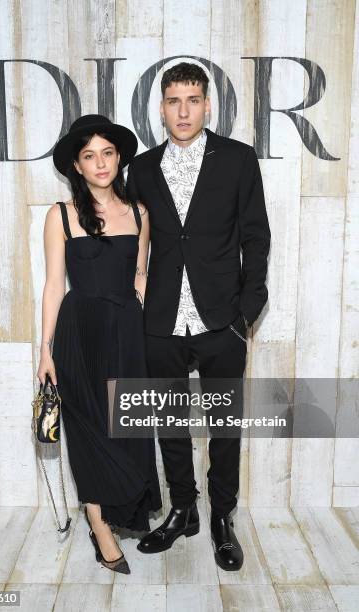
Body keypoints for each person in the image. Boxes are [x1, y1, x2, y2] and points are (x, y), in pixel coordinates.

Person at [127, 63, 271, 571]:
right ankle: (184, 509)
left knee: (224, 427)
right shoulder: (142, 168)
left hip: (221, 322)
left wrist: (246, 314)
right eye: (173, 101)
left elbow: (256, 236)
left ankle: (221, 518)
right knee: (168, 424)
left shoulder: (236, 159)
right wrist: (135, 283)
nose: (183, 110)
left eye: (192, 99)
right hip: (161, 322)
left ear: (208, 104)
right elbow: (133, 235)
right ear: (161, 107)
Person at [37, 114, 162, 575]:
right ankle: (97, 520)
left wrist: (162, 332)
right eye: (89, 155)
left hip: (128, 331)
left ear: (118, 157)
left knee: (126, 425)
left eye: (107, 152)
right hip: (79, 332)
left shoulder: (139, 213)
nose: (100, 162)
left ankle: (121, 507)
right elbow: (53, 285)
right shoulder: (61, 215)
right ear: (77, 164)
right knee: (88, 427)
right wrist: (45, 349)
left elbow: (140, 277)